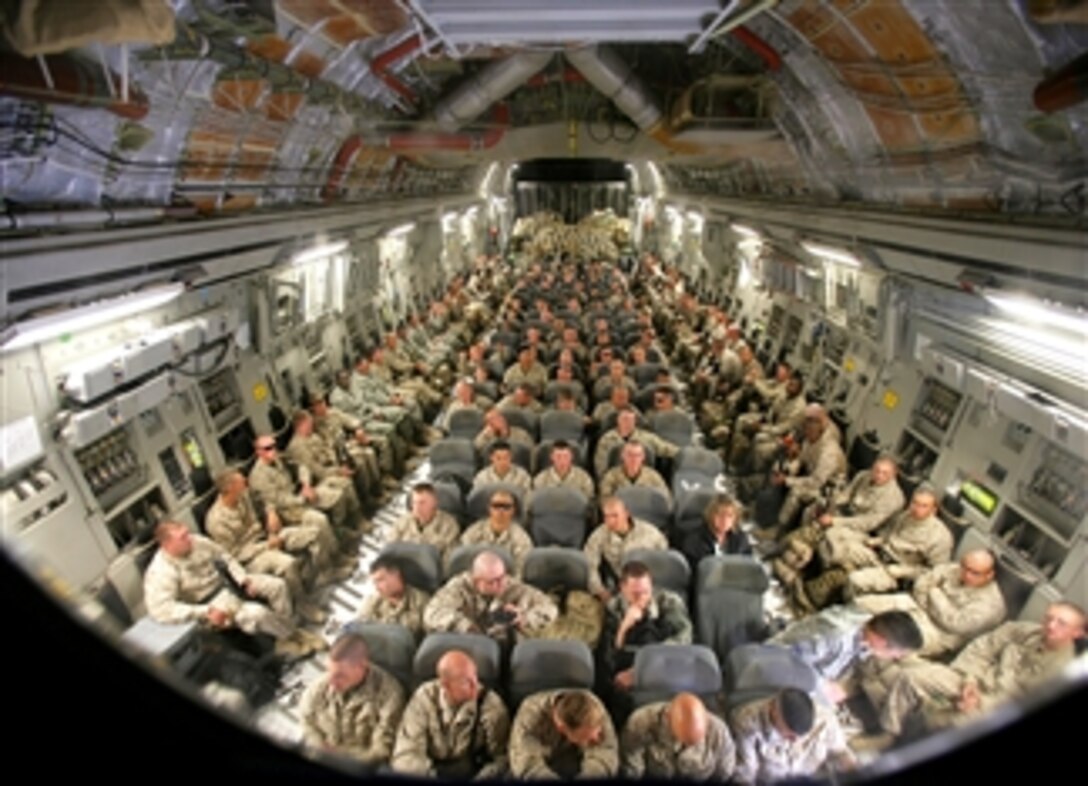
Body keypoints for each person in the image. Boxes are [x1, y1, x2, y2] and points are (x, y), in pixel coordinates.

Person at [884, 601, 1086, 733]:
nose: (1051, 626)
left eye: (1062, 624)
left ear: (1077, 633)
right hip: (971, 681)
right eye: (1049, 618)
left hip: (997, 708)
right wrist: (969, 681)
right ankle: (889, 731)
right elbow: (982, 649)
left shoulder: (1062, 672)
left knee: (950, 723)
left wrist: (979, 703)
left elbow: (1022, 703)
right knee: (913, 677)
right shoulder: (1022, 631)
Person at [143, 521, 324, 657]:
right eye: (182, 538)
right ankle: (294, 636)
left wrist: (242, 579)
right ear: (167, 545)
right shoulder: (161, 571)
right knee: (256, 613)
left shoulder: (197, 542)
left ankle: (285, 636)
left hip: (228, 583)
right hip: (210, 605)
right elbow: (161, 610)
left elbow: (224, 555)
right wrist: (205, 612)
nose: (189, 538)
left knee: (277, 586)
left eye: (187, 533)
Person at [768, 608, 924, 736]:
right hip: (770, 668)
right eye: (898, 653)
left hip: (806, 669)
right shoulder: (834, 637)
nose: (896, 657)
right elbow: (783, 659)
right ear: (882, 641)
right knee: (816, 727)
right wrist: (822, 686)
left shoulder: (865, 628)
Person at [803, 488, 953, 610]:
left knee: (855, 580)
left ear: (934, 510)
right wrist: (875, 541)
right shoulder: (906, 516)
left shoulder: (940, 537)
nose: (916, 508)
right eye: (914, 503)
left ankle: (846, 609)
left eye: (923, 506)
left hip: (895, 572)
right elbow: (890, 536)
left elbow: (932, 573)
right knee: (834, 546)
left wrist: (901, 571)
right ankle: (820, 585)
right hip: (880, 554)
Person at [771, 456, 904, 584]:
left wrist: (835, 521)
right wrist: (830, 506)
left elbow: (867, 523)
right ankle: (784, 556)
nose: (879, 475)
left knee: (828, 536)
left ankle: (803, 572)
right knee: (813, 512)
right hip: (847, 515)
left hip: (864, 532)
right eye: (876, 470)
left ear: (894, 474)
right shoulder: (863, 476)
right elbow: (846, 495)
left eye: (885, 473)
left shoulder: (894, 498)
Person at [853, 549, 1007, 658]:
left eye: (975, 572)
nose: (966, 574)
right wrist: (933, 601)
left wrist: (934, 592)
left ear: (990, 575)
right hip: (915, 605)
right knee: (861, 605)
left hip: (937, 632)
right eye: (964, 567)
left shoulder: (991, 604)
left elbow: (953, 624)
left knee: (885, 640)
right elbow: (921, 584)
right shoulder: (954, 569)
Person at [391, 649, 511, 779]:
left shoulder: (491, 707)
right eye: (465, 682)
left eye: (475, 676)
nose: (475, 686)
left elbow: (503, 759)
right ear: (445, 685)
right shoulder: (424, 699)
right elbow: (406, 753)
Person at [299, 633, 406, 767]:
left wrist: (340, 757)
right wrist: (318, 746)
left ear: (362, 666)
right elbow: (307, 719)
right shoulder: (322, 685)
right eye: (329, 672)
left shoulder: (389, 694)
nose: (332, 683)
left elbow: (381, 750)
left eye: (340, 676)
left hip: (358, 766)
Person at [599, 561, 692, 705]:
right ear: (623, 588)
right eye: (635, 594)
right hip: (626, 663)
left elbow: (684, 638)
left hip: (664, 664)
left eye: (646, 592)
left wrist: (641, 671)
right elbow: (608, 656)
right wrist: (623, 627)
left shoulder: (668, 602)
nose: (642, 598)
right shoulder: (613, 608)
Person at [423, 551, 558, 645]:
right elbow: (432, 612)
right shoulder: (459, 587)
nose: (500, 584)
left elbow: (550, 608)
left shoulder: (513, 587)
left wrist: (524, 617)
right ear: (476, 581)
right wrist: (465, 626)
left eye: (502, 577)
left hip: (504, 648)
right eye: (492, 581)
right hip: (466, 645)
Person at [730, 688, 856, 785]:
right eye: (790, 736)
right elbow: (745, 775)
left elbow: (840, 752)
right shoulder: (747, 724)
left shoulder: (825, 720)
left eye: (802, 736)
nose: (796, 741)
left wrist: (853, 770)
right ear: (773, 711)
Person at [621, 692, 736, 779]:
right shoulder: (641, 723)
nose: (686, 746)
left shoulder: (719, 733)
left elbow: (724, 773)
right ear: (668, 718)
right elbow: (633, 769)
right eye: (682, 739)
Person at [508, 689, 619, 779]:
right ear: (561, 728)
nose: (596, 738)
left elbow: (606, 752)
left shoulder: (594, 707)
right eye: (587, 739)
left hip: (580, 763)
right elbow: (526, 763)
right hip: (545, 764)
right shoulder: (530, 715)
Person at [584, 496, 668, 601]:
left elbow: (665, 561)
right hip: (619, 587)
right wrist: (599, 590)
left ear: (626, 513)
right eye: (606, 516)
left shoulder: (650, 533)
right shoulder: (599, 535)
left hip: (646, 586)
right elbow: (589, 564)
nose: (610, 521)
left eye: (615, 516)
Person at [459, 489, 534, 576]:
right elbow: (464, 561)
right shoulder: (473, 532)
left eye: (506, 507)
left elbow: (520, 571)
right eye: (496, 506)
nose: (501, 510)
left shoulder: (521, 538)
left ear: (513, 510)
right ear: (489, 508)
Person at [355, 555, 431, 639]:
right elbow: (359, 626)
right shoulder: (373, 601)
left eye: (380, 580)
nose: (377, 587)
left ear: (396, 574)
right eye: (375, 583)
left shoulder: (419, 600)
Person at [386, 482, 461, 563]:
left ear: (434, 503)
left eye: (422, 503)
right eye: (414, 503)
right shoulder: (401, 522)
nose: (417, 508)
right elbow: (389, 552)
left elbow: (449, 561)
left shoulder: (449, 525)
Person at [680, 495, 753, 571]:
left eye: (730, 516)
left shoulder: (741, 539)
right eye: (720, 515)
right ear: (711, 515)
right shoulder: (695, 540)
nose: (725, 520)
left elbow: (748, 566)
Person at [598, 440, 672, 503]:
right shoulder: (611, 476)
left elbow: (666, 500)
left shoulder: (653, 477)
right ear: (622, 456)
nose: (633, 459)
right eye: (629, 455)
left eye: (637, 455)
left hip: (647, 515)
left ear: (643, 457)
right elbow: (604, 501)